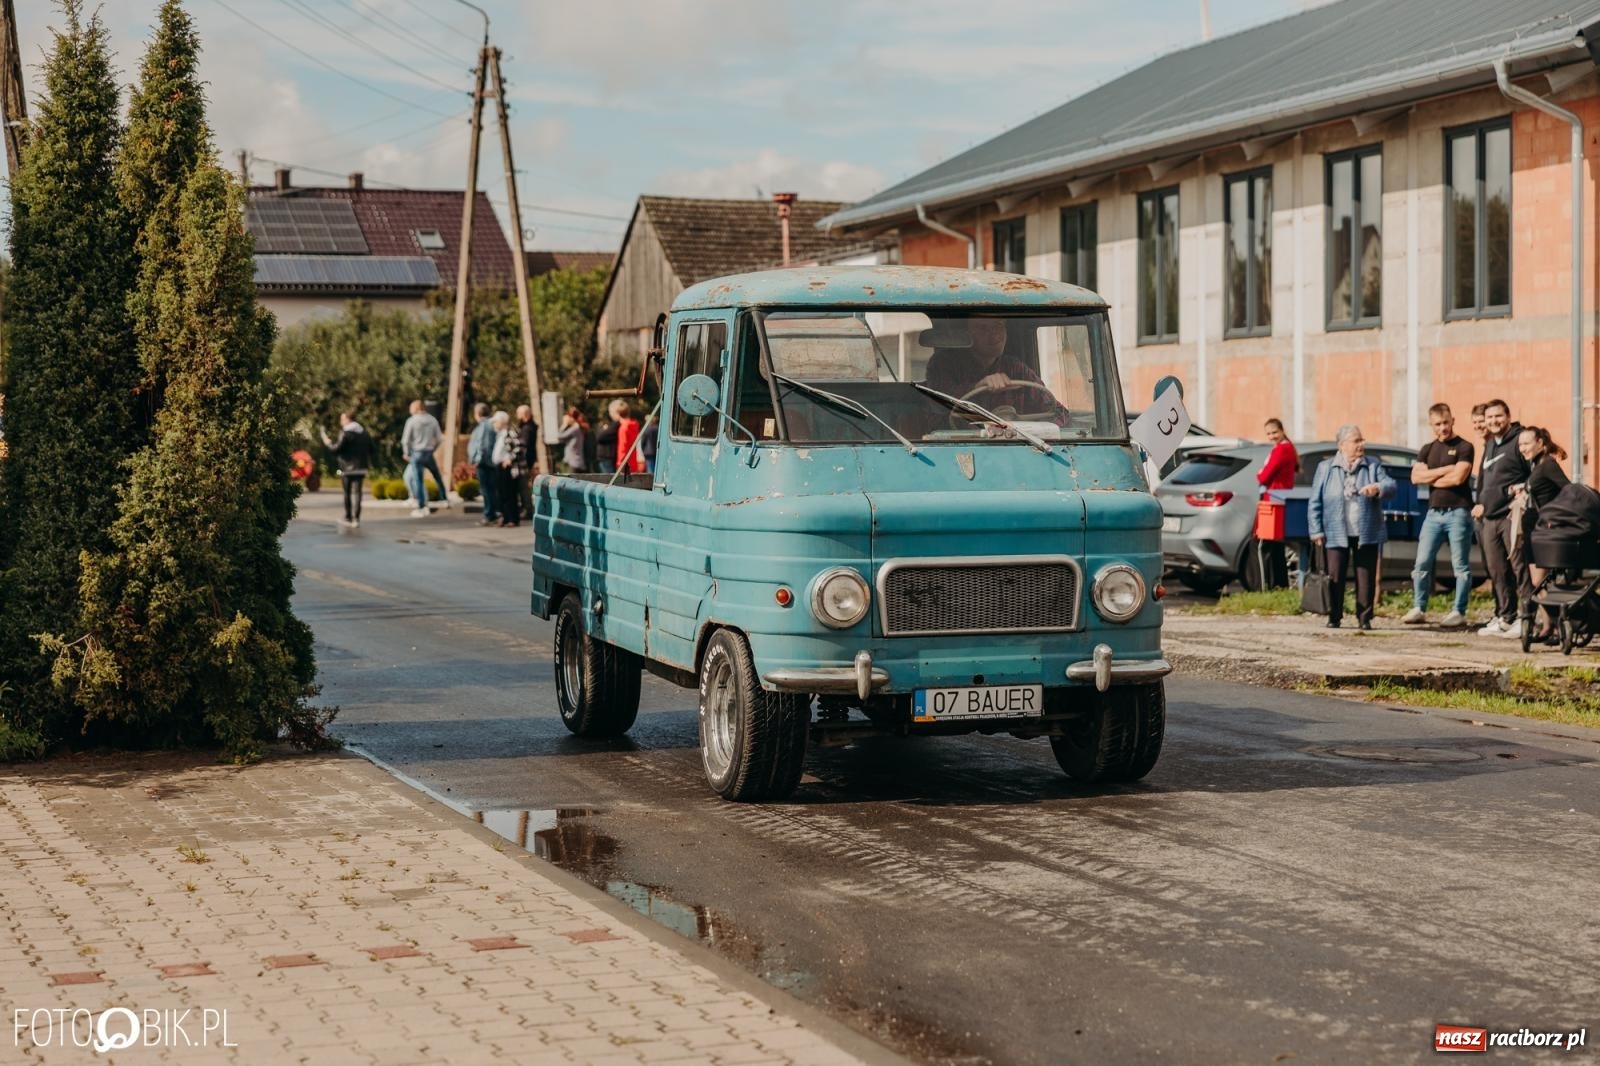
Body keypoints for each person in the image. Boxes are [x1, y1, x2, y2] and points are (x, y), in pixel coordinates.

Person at [1308, 425, 1395, 630]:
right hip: (1335, 530)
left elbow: (1391, 486)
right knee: (1335, 576)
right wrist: (1316, 530)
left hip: (1366, 531)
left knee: (1365, 577)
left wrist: (1377, 488)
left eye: (1361, 440)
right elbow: (1315, 501)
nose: (1361, 444)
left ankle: (1364, 618)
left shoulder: (1372, 465)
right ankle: (1334, 616)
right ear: (1342, 445)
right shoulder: (1326, 468)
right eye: (1356, 441)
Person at [1402, 403, 1475, 628]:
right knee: (1422, 562)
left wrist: (1431, 477)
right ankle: (1419, 607)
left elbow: (1458, 478)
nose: (1442, 428)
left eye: (1445, 422)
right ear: (1431, 425)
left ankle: (1459, 611)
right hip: (1433, 514)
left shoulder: (1465, 446)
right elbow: (1416, 478)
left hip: (1458, 512)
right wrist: (1446, 470)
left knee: (1460, 565)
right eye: (1437, 424)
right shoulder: (1427, 449)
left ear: (1453, 421)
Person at [923, 318, 1065, 419]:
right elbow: (938, 406)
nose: (994, 334)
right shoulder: (943, 363)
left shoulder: (1015, 368)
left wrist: (1042, 433)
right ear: (966, 333)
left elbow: (1057, 411)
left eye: (998, 325)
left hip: (1015, 447)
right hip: (959, 448)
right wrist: (977, 388)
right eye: (982, 328)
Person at [1473, 399, 1530, 637]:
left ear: (1508, 417)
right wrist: (1479, 503)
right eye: (1490, 417)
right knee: (1497, 570)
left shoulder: (1519, 440)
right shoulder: (1490, 444)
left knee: (1519, 568)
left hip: (1510, 516)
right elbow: (1484, 480)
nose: (1494, 421)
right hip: (1489, 518)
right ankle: (1506, 617)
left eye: (1498, 416)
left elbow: (1533, 473)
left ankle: (1526, 619)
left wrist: (1522, 493)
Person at [1511, 426, 1571, 640]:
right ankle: (1548, 627)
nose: (1522, 448)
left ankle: (1558, 624)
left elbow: (1568, 490)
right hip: (1533, 529)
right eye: (1520, 444)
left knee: (1540, 581)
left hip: (1545, 530)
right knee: (1539, 581)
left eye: (1526, 443)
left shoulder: (1548, 465)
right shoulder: (1537, 465)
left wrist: (1555, 517)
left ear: (1540, 443)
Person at [1256, 418, 1298, 589]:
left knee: (1270, 546)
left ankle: (1273, 585)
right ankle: (1278, 585)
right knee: (1275, 546)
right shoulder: (1285, 448)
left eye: (1274, 432)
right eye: (1268, 434)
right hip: (1277, 498)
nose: (1272, 436)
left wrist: (1260, 474)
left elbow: (1263, 476)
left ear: (1282, 431)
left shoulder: (1282, 449)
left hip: (1274, 500)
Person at [321, 411, 374, 528]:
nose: (341, 422)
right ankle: (357, 519)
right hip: (361, 467)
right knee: (358, 492)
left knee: (347, 492)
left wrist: (328, 444)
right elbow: (372, 449)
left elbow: (336, 449)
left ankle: (348, 517)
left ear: (348, 419)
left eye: (342, 419)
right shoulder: (364, 433)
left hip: (346, 468)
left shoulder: (345, 433)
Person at [401, 399, 445, 517]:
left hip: (417, 453)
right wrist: (432, 449)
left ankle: (421, 506)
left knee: (418, 480)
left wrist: (406, 453)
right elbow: (439, 439)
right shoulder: (432, 420)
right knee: (437, 476)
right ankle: (444, 498)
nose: (410, 411)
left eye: (411, 408)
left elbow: (405, 440)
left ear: (416, 408)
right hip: (428, 452)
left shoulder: (412, 421)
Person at [467, 402, 500, 526]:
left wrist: (477, 460)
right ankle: (493, 513)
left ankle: (489, 515)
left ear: (477, 414)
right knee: (491, 489)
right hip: (490, 462)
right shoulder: (491, 424)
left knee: (486, 490)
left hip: (485, 463)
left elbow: (483, 445)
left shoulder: (484, 426)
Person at [490, 410, 523, 527]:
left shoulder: (511, 432)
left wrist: (510, 459)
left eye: (496, 422)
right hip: (500, 467)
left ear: (502, 422)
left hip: (509, 468)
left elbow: (519, 447)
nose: (494, 424)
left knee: (510, 493)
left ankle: (512, 518)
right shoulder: (500, 433)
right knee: (502, 493)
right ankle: (505, 517)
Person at [515, 404, 539, 522]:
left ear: (524, 414)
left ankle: (528, 509)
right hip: (528, 460)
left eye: (518, 413)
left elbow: (525, 446)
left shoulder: (527, 428)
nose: (516, 415)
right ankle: (526, 508)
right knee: (523, 486)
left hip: (525, 461)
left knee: (523, 486)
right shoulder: (528, 426)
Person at [610, 399, 645, 474]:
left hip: (625, 465)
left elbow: (623, 448)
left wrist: (620, 464)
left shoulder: (623, 428)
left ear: (618, 414)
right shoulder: (635, 425)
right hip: (634, 463)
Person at [559, 407, 590, 473]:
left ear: (572, 418)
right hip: (577, 462)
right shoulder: (578, 428)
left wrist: (564, 424)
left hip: (573, 463)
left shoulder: (575, 429)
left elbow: (559, 436)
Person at [595, 406, 620, 474]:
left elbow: (600, 437)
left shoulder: (615, 424)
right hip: (605, 457)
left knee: (608, 477)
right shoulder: (611, 425)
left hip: (607, 457)